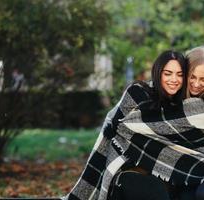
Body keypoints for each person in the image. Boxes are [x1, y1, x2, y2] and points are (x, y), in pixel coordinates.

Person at [115, 46, 204, 200]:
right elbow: (129, 123)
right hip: (185, 170)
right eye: (192, 77)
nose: (197, 84)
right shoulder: (171, 101)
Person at [63, 50, 188, 200]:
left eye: (179, 74)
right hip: (128, 172)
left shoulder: (187, 109)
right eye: (168, 73)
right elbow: (113, 130)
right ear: (158, 73)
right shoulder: (138, 93)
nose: (174, 79)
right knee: (155, 191)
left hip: (168, 176)